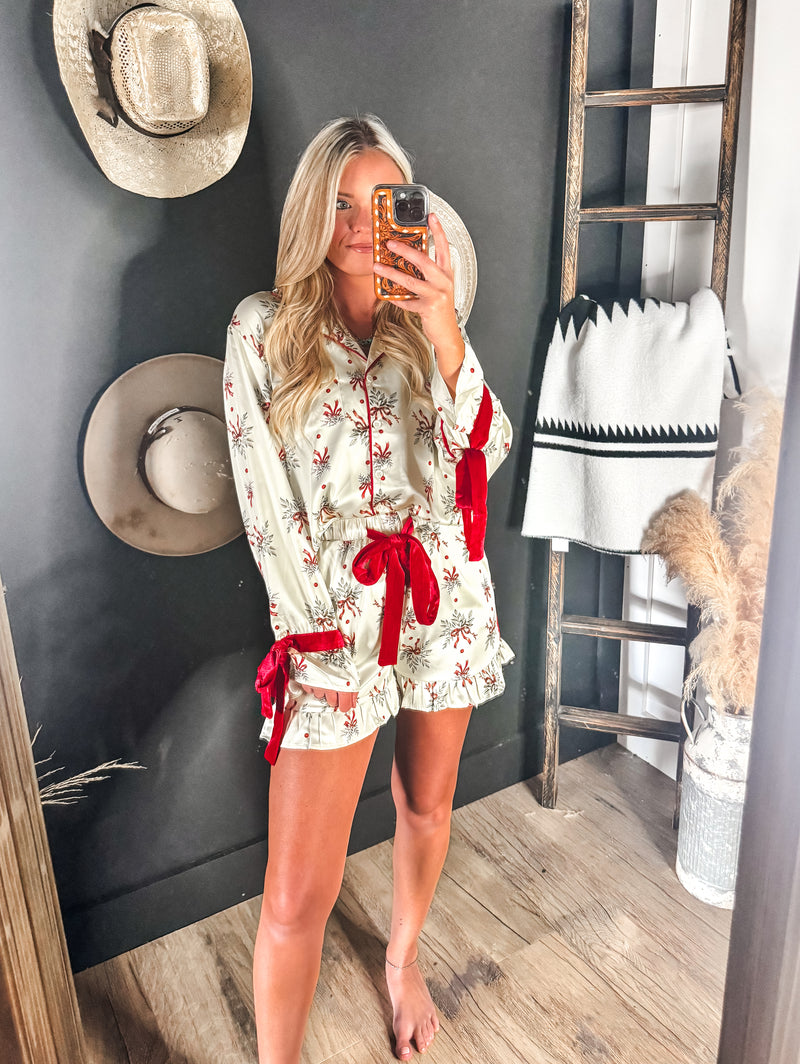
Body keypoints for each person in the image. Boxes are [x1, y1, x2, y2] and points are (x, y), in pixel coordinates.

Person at [224, 114, 513, 1064]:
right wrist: (317, 639)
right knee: (292, 901)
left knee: (426, 806)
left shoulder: (428, 325)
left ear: (411, 215)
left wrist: (444, 327)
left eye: (382, 204)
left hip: (440, 603)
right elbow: (267, 507)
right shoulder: (262, 330)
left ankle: (402, 959)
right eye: (341, 204)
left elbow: (485, 456)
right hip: (334, 629)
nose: (359, 225)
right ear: (312, 211)